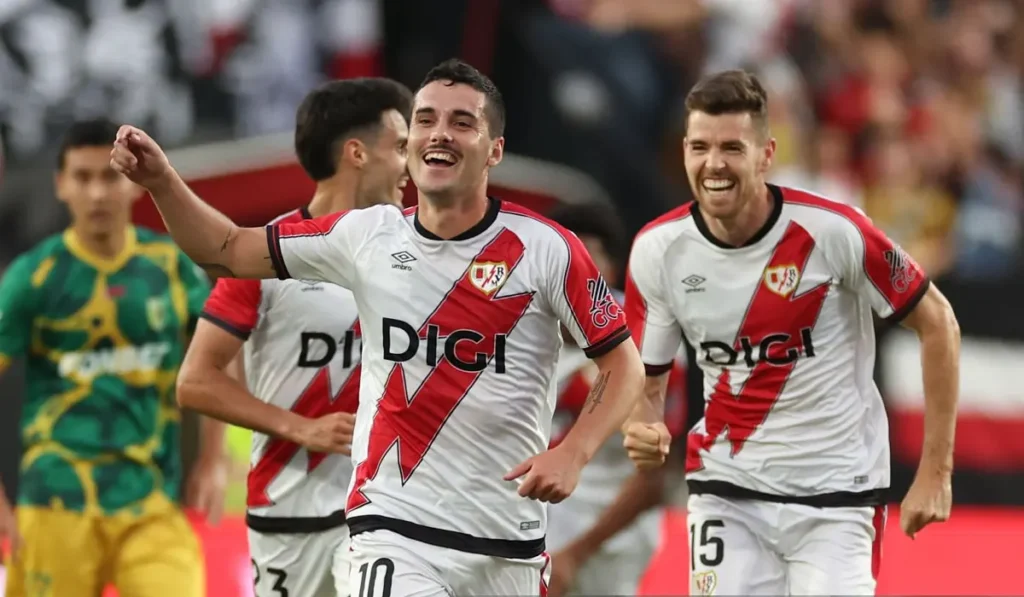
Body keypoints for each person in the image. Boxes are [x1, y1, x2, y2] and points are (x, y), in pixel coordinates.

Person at [110, 58, 645, 597]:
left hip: (508, 539)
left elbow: (622, 362)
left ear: (495, 150)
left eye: (462, 122)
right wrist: (162, 182)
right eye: (425, 120)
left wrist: (573, 452)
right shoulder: (366, 236)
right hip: (392, 528)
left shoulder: (548, 249)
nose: (440, 133)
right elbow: (227, 249)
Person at [621, 70, 960, 596]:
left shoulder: (834, 232)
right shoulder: (657, 250)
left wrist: (936, 472)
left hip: (836, 497)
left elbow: (938, 322)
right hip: (726, 490)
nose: (714, 164)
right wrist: (642, 423)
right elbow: (647, 381)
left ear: (766, 154)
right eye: (700, 147)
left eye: (732, 148)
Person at [176, 77, 413, 597]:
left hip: (387, 511)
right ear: (357, 153)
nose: (409, 165)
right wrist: (300, 428)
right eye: (399, 147)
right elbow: (195, 381)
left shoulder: (417, 253)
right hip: (289, 507)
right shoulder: (264, 257)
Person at [0, 119, 226, 597]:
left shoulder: (171, 266)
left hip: (150, 501)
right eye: (82, 178)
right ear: (61, 185)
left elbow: (218, 355)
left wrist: (213, 458)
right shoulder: (33, 277)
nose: (97, 194)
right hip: (55, 503)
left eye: (109, 177)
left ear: (134, 183)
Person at [544, 202, 685, 597]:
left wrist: (574, 554)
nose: (578, 275)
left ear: (613, 268)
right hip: (525, 527)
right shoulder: (518, 331)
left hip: (612, 544)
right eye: (567, 262)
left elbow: (654, 479)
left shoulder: (649, 342)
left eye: (592, 262)